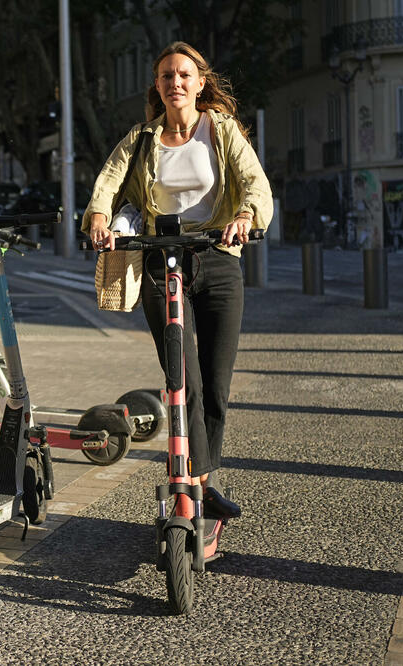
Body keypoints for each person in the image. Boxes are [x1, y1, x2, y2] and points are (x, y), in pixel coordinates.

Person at [83, 41, 272, 520]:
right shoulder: (141, 138)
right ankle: (191, 483)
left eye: (184, 75)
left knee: (216, 384)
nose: (175, 84)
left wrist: (246, 215)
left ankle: (200, 482)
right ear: (158, 86)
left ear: (200, 82)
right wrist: (101, 218)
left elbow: (254, 181)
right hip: (161, 262)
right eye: (166, 76)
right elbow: (108, 182)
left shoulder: (221, 130)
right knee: (182, 379)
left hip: (218, 260)